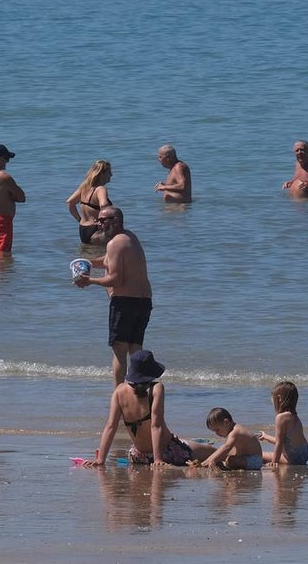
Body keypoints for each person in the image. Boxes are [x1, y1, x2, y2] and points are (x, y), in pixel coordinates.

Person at [83, 350, 214, 468]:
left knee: (195, 445)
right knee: (211, 451)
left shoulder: (119, 391)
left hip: (138, 456)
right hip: (168, 452)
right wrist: (158, 458)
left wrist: (101, 459)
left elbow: (110, 426)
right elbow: (155, 426)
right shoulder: (156, 388)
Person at [74, 206, 153, 385]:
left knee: (119, 352)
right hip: (143, 302)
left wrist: (89, 281)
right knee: (135, 350)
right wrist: (88, 262)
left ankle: (119, 393)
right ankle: (137, 390)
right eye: (98, 220)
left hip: (125, 303)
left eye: (103, 220)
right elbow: (109, 259)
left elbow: (116, 280)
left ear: (116, 221)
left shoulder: (115, 243)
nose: (98, 224)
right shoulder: (129, 237)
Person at [258, 381, 308, 465]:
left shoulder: (281, 417)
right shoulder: (295, 417)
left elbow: (279, 443)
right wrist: (265, 437)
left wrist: (274, 462)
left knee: (259, 454)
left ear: (279, 398)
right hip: (304, 455)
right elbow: (284, 441)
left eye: (272, 398)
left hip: (293, 459)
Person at [66, 159, 113, 245]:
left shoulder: (84, 188)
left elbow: (70, 203)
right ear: (101, 174)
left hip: (83, 229)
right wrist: (102, 221)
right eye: (109, 172)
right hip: (96, 229)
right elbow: (104, 205)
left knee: (89, 254)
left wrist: (79, 219)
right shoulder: (100, 189)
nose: (111, 175)